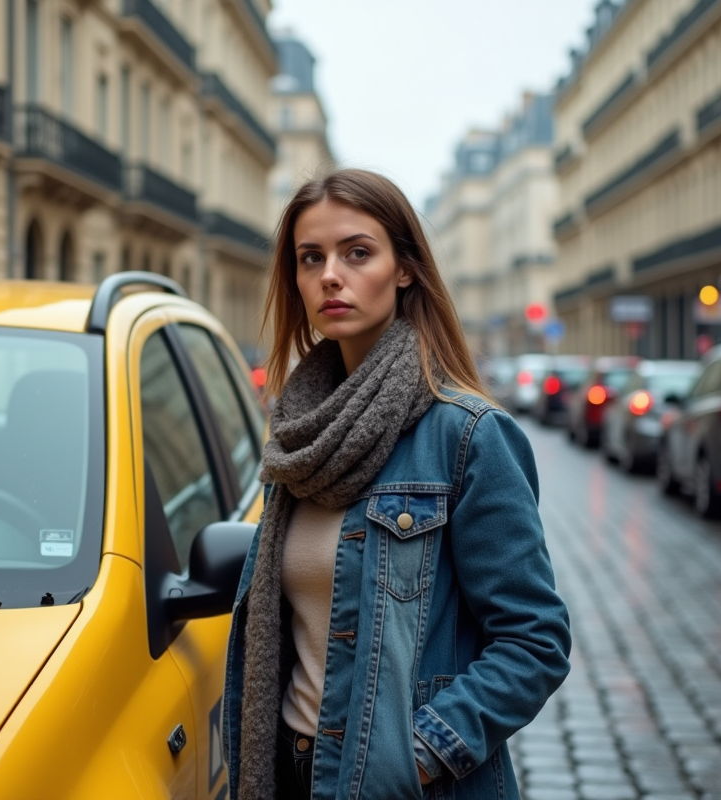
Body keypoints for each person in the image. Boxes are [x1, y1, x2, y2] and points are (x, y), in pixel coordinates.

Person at [222, 169, 571, 800]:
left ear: (404, 269)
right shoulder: (302, 438)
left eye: (358, 252)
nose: (331, 274)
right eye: (311, 258)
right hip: (289, 774)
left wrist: (411, 758)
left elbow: (534, 639)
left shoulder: (466, 436)